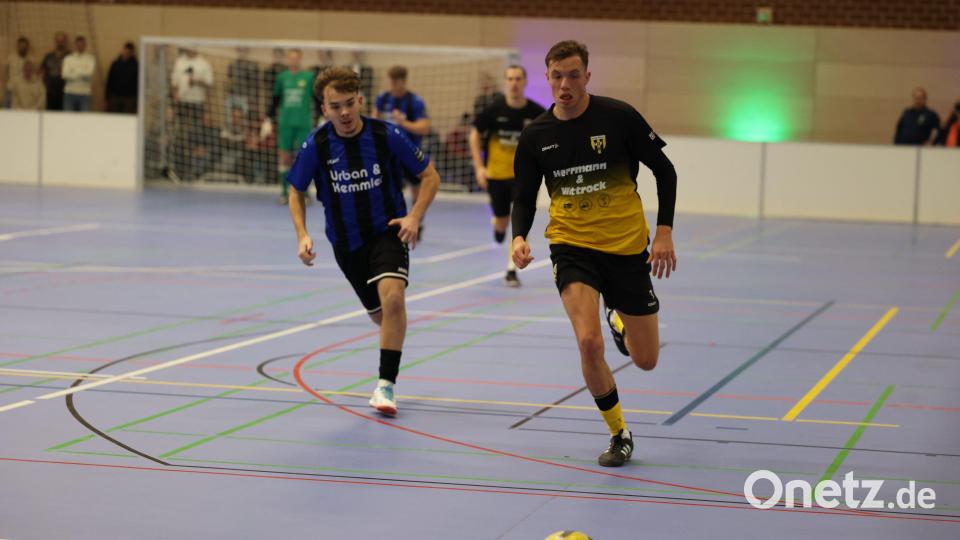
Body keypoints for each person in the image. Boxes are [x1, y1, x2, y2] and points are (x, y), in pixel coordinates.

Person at [511, 40, 678, 467]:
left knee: (646, 361)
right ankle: (619, 433)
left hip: (625, 248)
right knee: (588, 343)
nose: (564, 84)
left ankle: (617, 316)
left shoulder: (618, 117)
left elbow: (665, 170)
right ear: (546, 78)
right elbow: (525, 195)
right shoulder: (536, 135)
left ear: (587, 76)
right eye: (556, 76)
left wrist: (663, 233)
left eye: (572, 75)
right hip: (571, 247)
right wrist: (518, 236)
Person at [287, 66, 440, 417]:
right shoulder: (318, 144)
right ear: (324, 108)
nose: (344, 113)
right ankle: (391, 344)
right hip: (346, 243)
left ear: (360, 101)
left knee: (394, 301)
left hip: (388, 230)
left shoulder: (387, 135)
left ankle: (385, 386)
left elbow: (429, 176)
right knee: (381, 316)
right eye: (334, 105)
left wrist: (414, 216)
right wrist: (302, 234)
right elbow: (296, 189)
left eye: (349, 104)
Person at [469, 64, 545, 287]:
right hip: (496, 175)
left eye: (518, 79)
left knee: (520, 222)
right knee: (502, 222)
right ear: (505, 82)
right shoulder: (494, 110)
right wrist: (479, 167)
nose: (514, 83)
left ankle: (512, 269)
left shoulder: (536, 112)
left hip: (523, 177)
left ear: (525, 82)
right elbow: (474, 135)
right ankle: (498, 228)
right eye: (510, 79)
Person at [373, 66, 430, 239]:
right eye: (390, 81)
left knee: (416, 189)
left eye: (396, 82)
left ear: (403, 82)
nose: (392, 85)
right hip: (389, 154)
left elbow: (424, 127)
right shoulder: (383, 98)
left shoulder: (415, 102)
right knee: (387, 188)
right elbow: (374, 119)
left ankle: (417, 221)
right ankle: (390, 221)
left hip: (410, 152)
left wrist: (403, 123)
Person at [266, 49, 315, 205]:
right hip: (285, 123)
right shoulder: (282, 78)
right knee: (284, 157)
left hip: (303, 123)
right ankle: (284, 191)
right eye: (291, 58)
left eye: (296, 58)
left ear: (300, 60)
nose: (293, 61)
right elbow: (276, 99)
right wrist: (268, 118)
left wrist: (322, 116)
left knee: (303, 158)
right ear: (288, 60)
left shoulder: (308, 77)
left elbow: (316, 98)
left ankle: (304, 193)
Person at [170, 48, 214, 179]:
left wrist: (196, 81)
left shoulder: (204, 63)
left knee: (196, 136)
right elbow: (174, 83)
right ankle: (179, 169)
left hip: (197, 103)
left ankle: (196, 171)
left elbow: (210, 84)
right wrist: (174, 99)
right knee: (180, 135)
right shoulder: (179, 62)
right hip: (182, 102)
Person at [62, 35, 96, 112]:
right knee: (67, 118)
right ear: (75, 45)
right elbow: (65, 75)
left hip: (85, 93)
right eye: (78, 45)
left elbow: (89, 74)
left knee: (84, 119)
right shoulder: (68, 58)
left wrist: (73, 71)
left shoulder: (90, 59)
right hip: (69, 92)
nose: (80, 47)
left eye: (82, 45)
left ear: (85, 45)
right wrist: (82, 71)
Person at [105, 42, 138, 113]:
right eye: (126, 50)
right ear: (123, 50)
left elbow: (138, 83)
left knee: (127, 119)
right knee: (114, 119)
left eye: (129, 51)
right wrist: (107, 97)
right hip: (115, 97)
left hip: (130, 98)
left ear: (132, 53)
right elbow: (109, 81)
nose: (127, 53)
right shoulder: (115, 64)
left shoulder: (136, 65)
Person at [40, 31, 70, 111]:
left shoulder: (70, 56)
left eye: (62, 41)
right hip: (50, 91)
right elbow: (42, 71)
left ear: (65, 42)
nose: (60, 43)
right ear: (55, 41)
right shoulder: (49, 56)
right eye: (58, 40)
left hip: (64, 91)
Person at [4, 37, 33, 109]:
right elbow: (5, 71)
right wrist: (6, 82)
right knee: (5, 107)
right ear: (17, 46)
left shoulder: (31, 59)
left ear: (27, 47)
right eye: (21, 46)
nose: (23, 48)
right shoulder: (11, 57)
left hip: (23, 89)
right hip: (11, 87)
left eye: (25, 46)